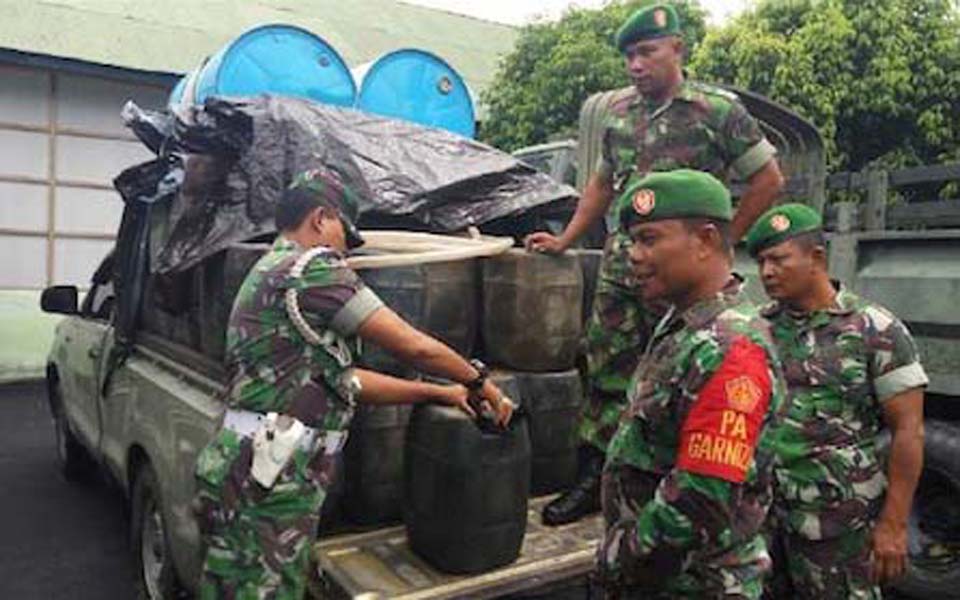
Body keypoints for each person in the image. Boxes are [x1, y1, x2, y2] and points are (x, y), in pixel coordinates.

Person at [193, 168, 512, 599]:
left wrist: (441, 392)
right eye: (346, 232)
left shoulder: (271, 269)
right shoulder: (313, 268)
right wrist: (480, 382)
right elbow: (413, 346)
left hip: (256, 475)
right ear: (321, 218)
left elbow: (344, 381)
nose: (346, 249)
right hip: (268, 485)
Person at [526, 2, 785, 526]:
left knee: (686, 373)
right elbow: (600, 185)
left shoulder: (716, 110)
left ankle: (674, 484)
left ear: (677, 50)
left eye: (646, 52)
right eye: (628, 56)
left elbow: (769, 179)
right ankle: (595, 478)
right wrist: (568, 240)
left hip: (686, 280)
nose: (635, 65)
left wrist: (725, 239)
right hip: (627, 268)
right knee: (605, 368)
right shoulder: (620, 116)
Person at [595, 169, 786, 598]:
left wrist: (617, 555)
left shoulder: (729, 349)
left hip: (690, 583)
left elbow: (698, 499)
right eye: (632, 241)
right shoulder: (682, 322)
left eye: (648, 239)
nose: (634, 256)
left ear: (704, 241)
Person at [745, 204, 927, 599]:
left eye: (778, 259)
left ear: (817, 258)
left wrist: (894, 525)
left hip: (838, 524)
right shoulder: (756, 329)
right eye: (760, 261)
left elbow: (908, 432)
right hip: (765, 520)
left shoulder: (875, 328)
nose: (766, 272)